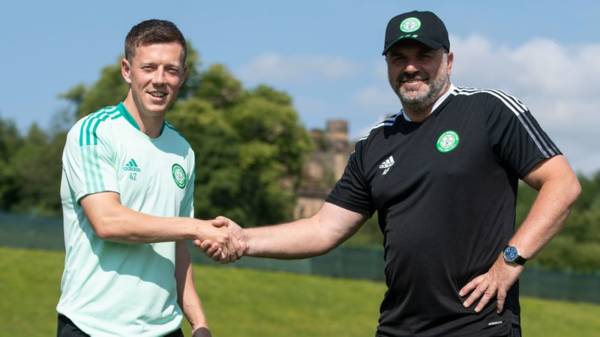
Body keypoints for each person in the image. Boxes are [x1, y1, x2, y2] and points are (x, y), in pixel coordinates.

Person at [201, 10, 581, 337]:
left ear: (449, 61)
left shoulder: (488, 111)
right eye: (399, 58)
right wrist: (243, 240)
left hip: (478, 325)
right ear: (387, 66)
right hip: (398, 326)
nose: (411, 66)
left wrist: (510, 261)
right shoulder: (375, 142)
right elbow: (323, 229)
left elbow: (561, 184)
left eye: (423, 55)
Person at [57, 19, 240, 337]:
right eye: (149, 67)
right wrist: (197, 226)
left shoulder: (183, 150)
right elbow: (108, 222)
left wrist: (199, 323)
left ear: (183, 76)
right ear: (127, 70)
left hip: (165, 330)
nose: (160, 80)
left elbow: (177, 249)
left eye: (171, 70)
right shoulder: (93, 133)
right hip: (92, 328)